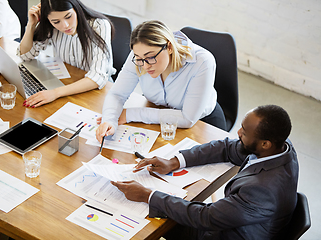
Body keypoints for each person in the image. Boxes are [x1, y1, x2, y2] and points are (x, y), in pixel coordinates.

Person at [111, 105, 298, 240]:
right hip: (232, 224)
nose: (239, 132)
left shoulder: (263, 190)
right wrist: (174, 162)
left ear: (265, 143)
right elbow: (226, 148)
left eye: (245, 132)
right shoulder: (279, 147)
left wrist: (147, 195)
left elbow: (206, 217)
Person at [96, 20, 226, 142]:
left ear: (169, 47)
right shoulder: (140, 56)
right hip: (156, 116)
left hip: (201, 123)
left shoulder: (202, 61)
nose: (146, 66)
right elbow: (117, 94)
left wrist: (130, 114)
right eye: (139, 58)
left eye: (151, 57)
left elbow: (187, 119)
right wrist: (109, 120)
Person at [18, 0, 115, 108]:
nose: (65, 25)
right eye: (56, 21)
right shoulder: (51, 27)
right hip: (69, 83)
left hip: (99, 91)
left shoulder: (99, 25)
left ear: (76, 8)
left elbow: (98, 77)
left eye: (68, 16)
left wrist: (54, 93)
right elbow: (25, 56)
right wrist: (31, 24)